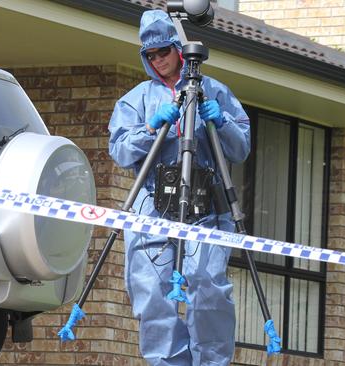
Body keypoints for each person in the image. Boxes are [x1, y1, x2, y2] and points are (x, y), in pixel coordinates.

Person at [108, 9, 251, 366]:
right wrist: (151, 129)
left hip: (206, 208)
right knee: (153, 293)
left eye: (164, 52)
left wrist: (221, 121)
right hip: (152, 207)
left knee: (208, 288)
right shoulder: (136, 99)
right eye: (150, 55)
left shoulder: (214, 91)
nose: (157, 61)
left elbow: (240, 147)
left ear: (179, 48)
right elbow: (121, 151)